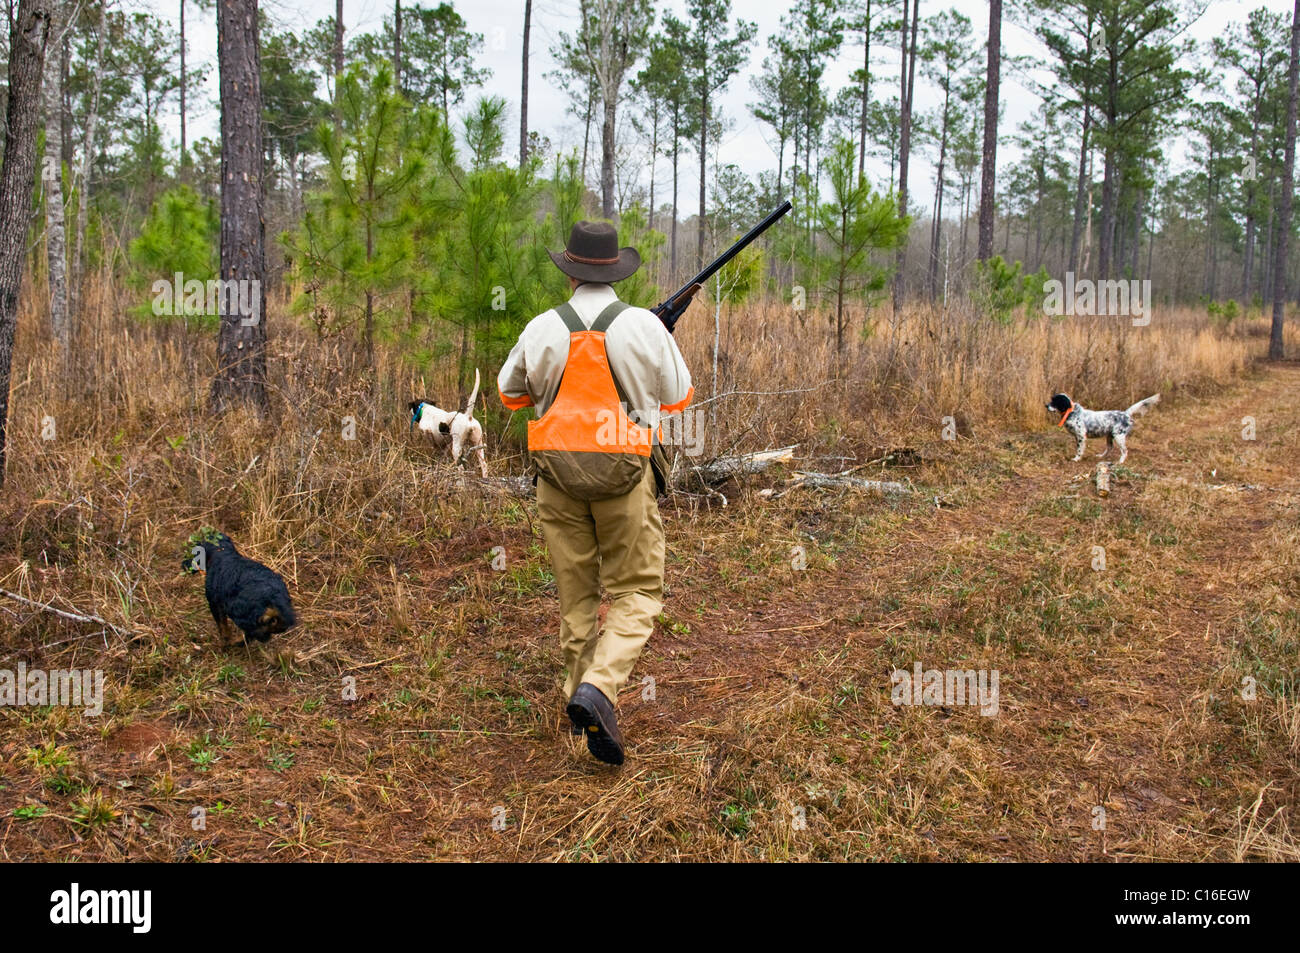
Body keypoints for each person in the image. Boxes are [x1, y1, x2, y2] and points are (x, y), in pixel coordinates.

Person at [498, 221, 692, 765]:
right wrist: (653, 341)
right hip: (625, 480)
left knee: (576, 597)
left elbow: (509, 393)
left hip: (556, 483)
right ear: (616, 270)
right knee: (637, 592)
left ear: (571, 269)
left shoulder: (540, 328)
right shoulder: (644, 327)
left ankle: (580, 707)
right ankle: (600, 690)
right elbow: (678, 397)